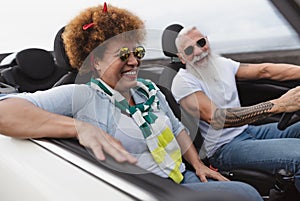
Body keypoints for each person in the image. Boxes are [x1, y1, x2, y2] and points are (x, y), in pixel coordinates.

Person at [0, 4, 264, 201]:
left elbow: (178, 130)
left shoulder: (148, 90)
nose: (134, 61)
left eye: (136, 52)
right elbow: (5, 112)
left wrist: (197, 165)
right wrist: (80, 128)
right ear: (96, 61)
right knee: (246, 194)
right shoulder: (80, 95)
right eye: (123, 54)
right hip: (148, 189)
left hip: (183, 177)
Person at [171, 25, 300, 192]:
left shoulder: (222, 64)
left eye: (200, 42)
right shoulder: (183, 82)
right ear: (182, 58)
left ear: (207, 41)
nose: (197, 51)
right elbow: (216, 118)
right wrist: (278, 105)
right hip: (224, 148)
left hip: (248, 131)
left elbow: (264, 71)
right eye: (189, 50)